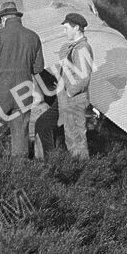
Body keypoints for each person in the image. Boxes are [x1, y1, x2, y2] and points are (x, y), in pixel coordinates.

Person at [0, 1, 44, 158]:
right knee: (20, 131)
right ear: (17, 17)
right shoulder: (33, 37)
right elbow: (39, 68)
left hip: (1, 87)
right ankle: (19, 171)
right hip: (25, 88)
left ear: (4, 18)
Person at [52, 13, 95, 159]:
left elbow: (84, 78)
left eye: (66, 28)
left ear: (76, 27)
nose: (64, 32)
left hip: (74, 101)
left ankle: (84, 173)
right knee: (72, 139)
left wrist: (68, 93)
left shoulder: (81, 48)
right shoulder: (77, 47)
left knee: (76, 140)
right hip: (72, 100)